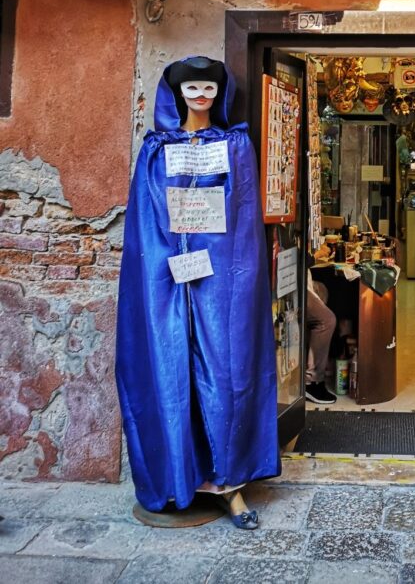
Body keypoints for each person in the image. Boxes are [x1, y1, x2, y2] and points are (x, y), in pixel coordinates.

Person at [116, 56, 280, 530]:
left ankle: (229, 482)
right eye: (193, 88)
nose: (202, 95)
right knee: (170, 373)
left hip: (221, 278)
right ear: (179, 94)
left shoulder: (235, 144)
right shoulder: (155, 149)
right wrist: (167, 265)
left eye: (209, 87)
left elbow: (244, 217)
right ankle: (177, 478)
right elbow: (147, 221)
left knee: (226, 374)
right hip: (168, 276)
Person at [304, 271, 338, 405]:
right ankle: (313, 381)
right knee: (327, 320)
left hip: (303, 278)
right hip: (291, 281)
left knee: (321, 289)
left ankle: (316, 361)